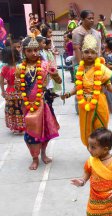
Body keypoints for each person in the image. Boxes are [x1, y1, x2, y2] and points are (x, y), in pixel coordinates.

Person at [61, 34, 112, 147]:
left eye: (93, 52)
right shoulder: (79, 69)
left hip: (99, 101)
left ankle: (102, 151)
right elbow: (77, 87)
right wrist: (68, 94)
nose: (89, 55)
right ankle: (92, 151)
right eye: (87, 52)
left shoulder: (102, 69)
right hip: (84, 104)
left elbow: (108, 86)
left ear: (97, 54)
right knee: (87, 129)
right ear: (82, 53)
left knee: (101, 128)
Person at [16, 36, 62, 170]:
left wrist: (54, 75)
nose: (33, 53)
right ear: (24, 52)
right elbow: (20, 88)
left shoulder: (45, 65)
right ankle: (34, 158)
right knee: (30, 132)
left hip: (43, 101)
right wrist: (18, 84)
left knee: (45, 129)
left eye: (36, 50)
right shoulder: (20, 68)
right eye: (29, 51)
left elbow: (58, 82)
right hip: (27, 104)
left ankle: (43, 153)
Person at [0, 47, 24, 134]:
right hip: (19, 91)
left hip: (10, 91)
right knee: (19, 109)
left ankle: (15, 127)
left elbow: (1, 80)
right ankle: (20, 126)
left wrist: (3, 91)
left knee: (12, 110)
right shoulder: (19, 67)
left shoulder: (5, 68)